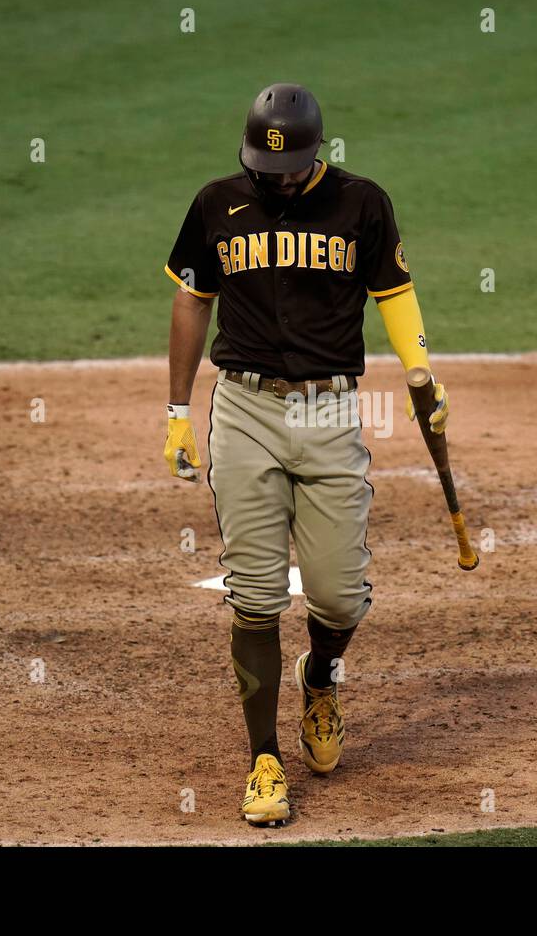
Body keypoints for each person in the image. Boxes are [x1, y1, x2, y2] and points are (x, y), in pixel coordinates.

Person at [162, 83, 449, 826]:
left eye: (288, 168)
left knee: (339, 596)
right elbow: (193, 299)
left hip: (329, 411)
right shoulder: (216, 203)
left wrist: (420, 369)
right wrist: (175, 411)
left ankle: (320, 677)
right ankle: (264, 761)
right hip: (246, 409)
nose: (275, 178)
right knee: (255, 593)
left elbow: (395, 292)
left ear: (318, 153)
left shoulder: (362, 205)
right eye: (263, 165)